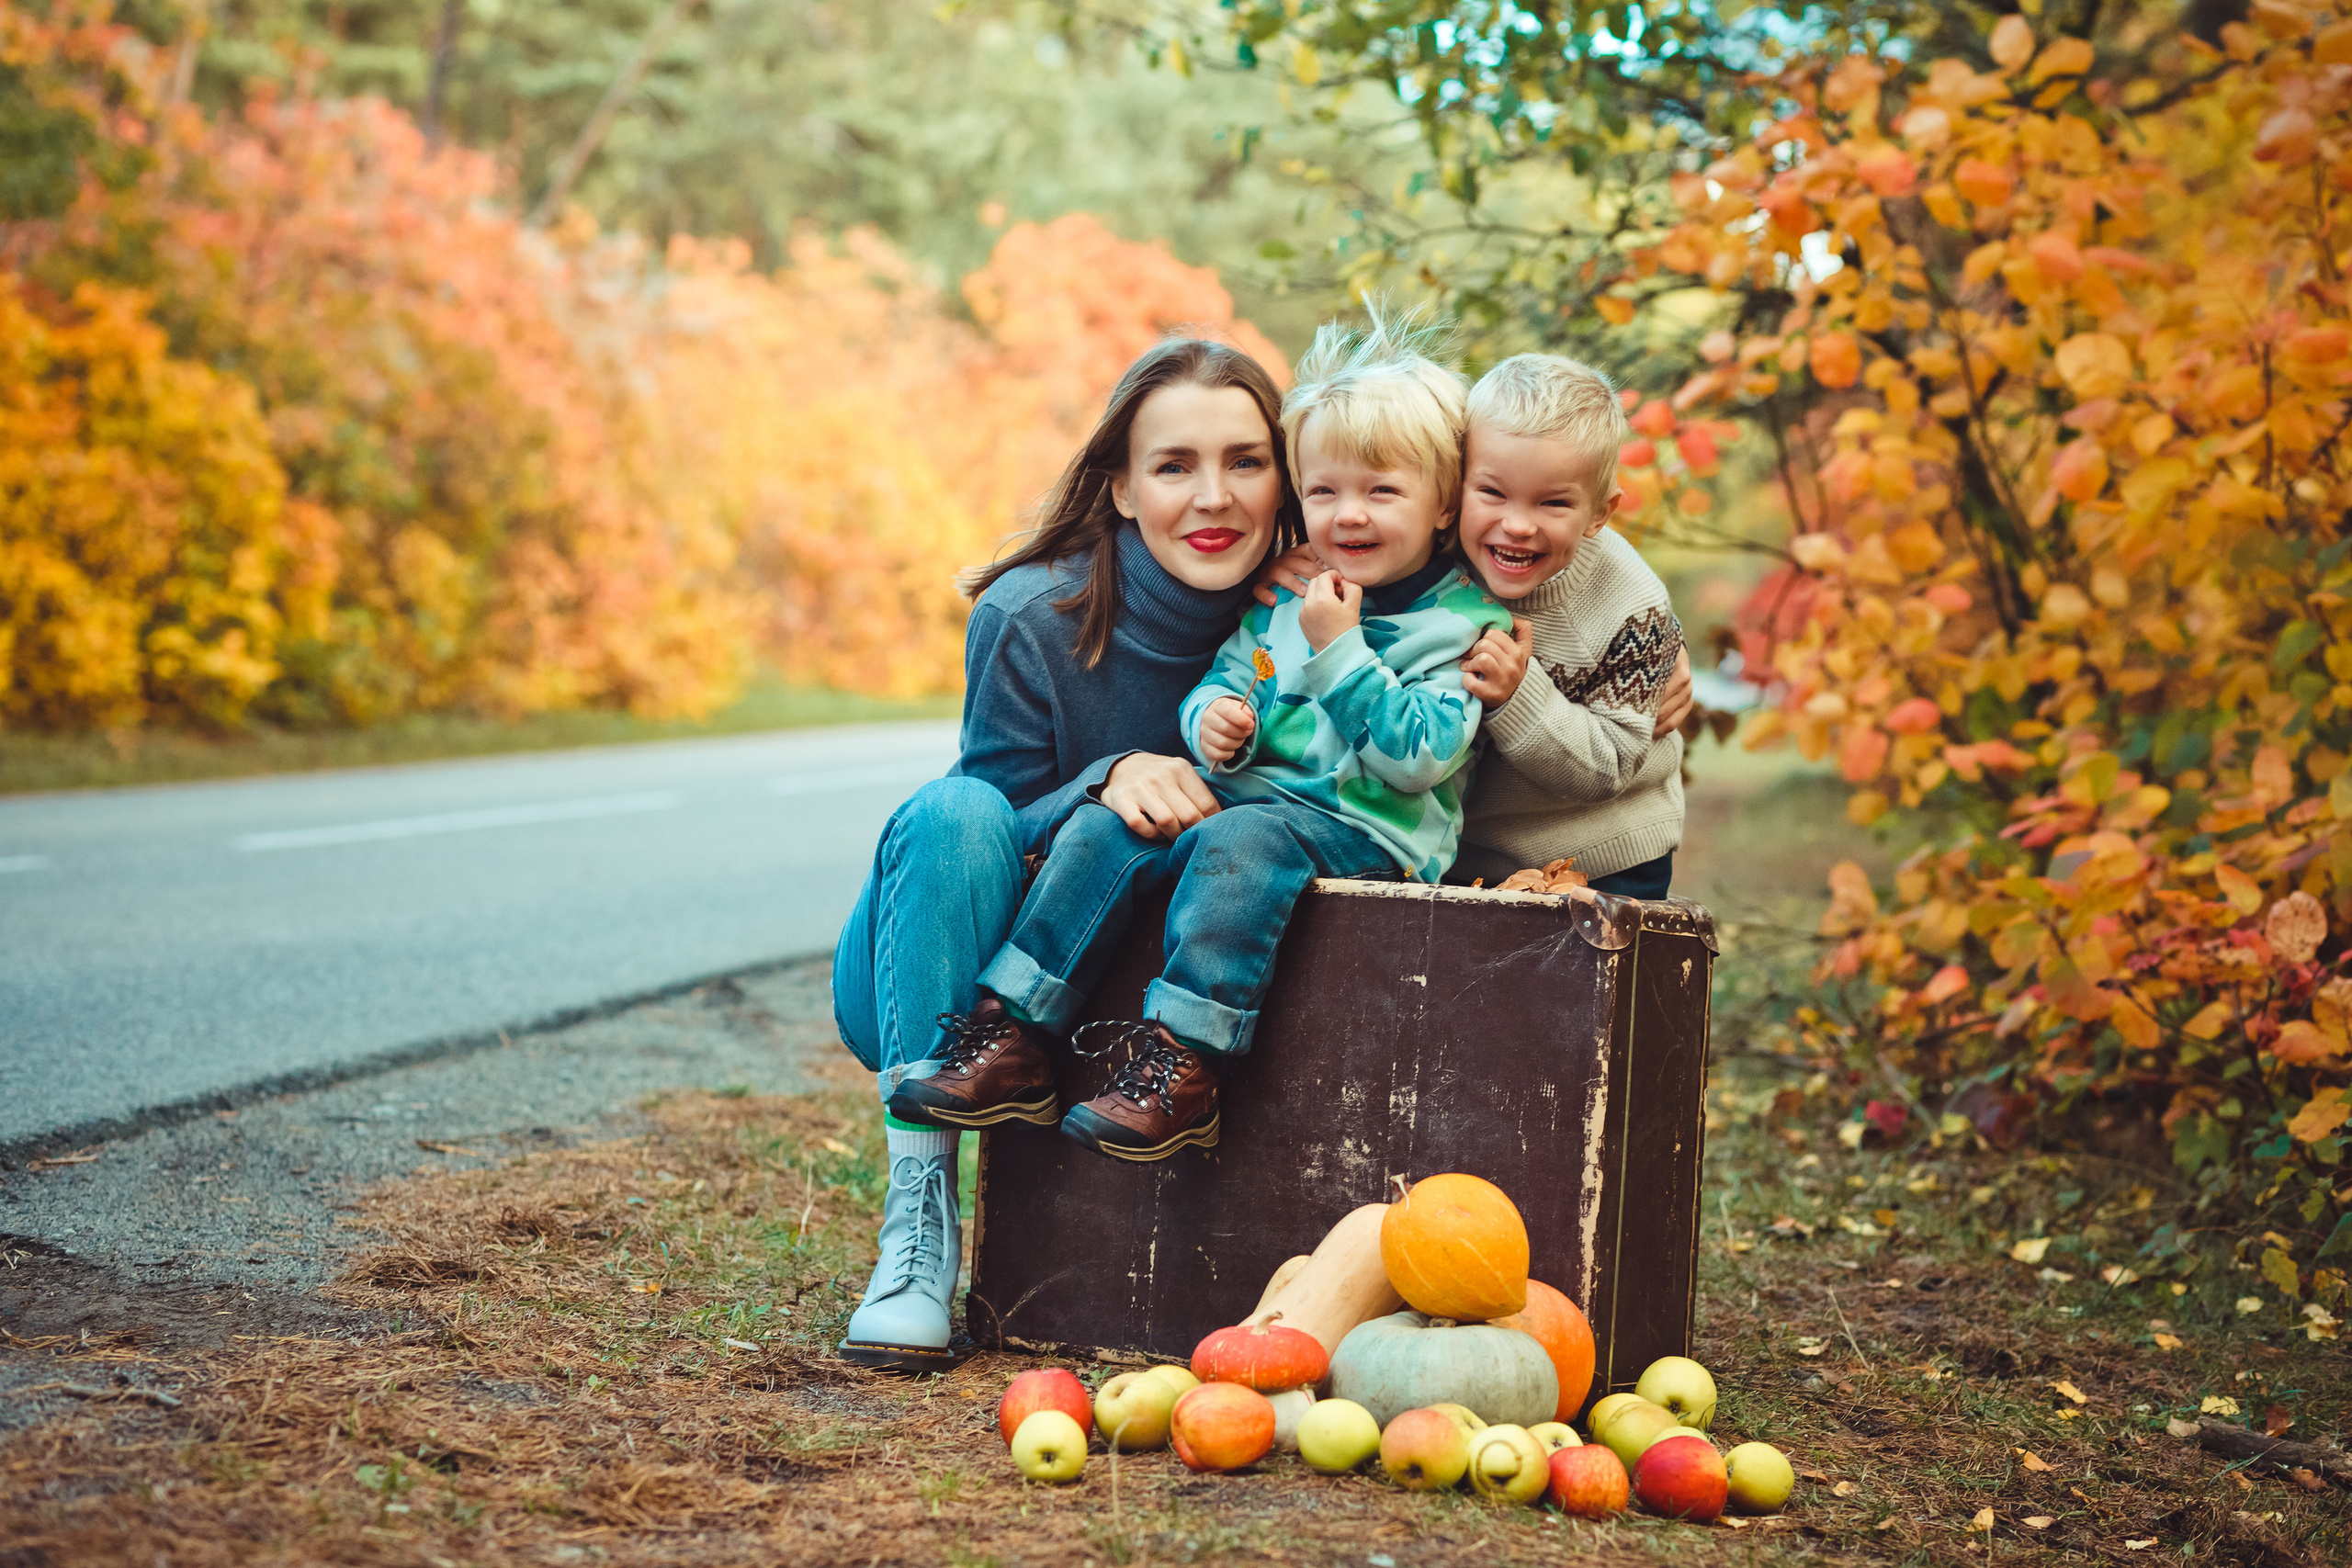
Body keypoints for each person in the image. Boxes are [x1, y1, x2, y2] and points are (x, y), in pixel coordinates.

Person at [937, 307, 1511, 1164]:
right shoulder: (1284, 591)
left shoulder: (1460, 623)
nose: (1349, 516)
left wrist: (1340, 651)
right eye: (1325, 491)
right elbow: (1230, 676)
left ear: (1441, 506)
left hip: (1365, 832)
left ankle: (1185, 1058)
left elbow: (1419, 754)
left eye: (1382, 491)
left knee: (1241, 837)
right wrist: (1214, 727)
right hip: (1254, 802)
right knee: (1109, 824)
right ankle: (1015, 1026)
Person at [831, 336, 1295, 1371]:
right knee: (955, 809)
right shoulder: (1032, 615)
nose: (1213, 496)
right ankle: (915, 1227)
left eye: (1245, 462)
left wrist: (1643, 663)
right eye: (1174, 466)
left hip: (1105, 1004)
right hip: (938, 981)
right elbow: (980, 838)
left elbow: (1496, 514)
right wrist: (1109, 775)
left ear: (1286, 478)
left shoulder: (1321, 616)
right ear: (1122, 488)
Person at [1445, 353, 1687, 897]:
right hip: (1455, 853)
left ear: (1600, 512)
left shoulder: (1629, 601)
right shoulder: (1432, 551)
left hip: (1604, 850)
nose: (1517, 524)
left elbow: (1611, 765)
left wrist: (1516, 695)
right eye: (1492, 492)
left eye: (1553, 502)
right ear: (1454, 483)